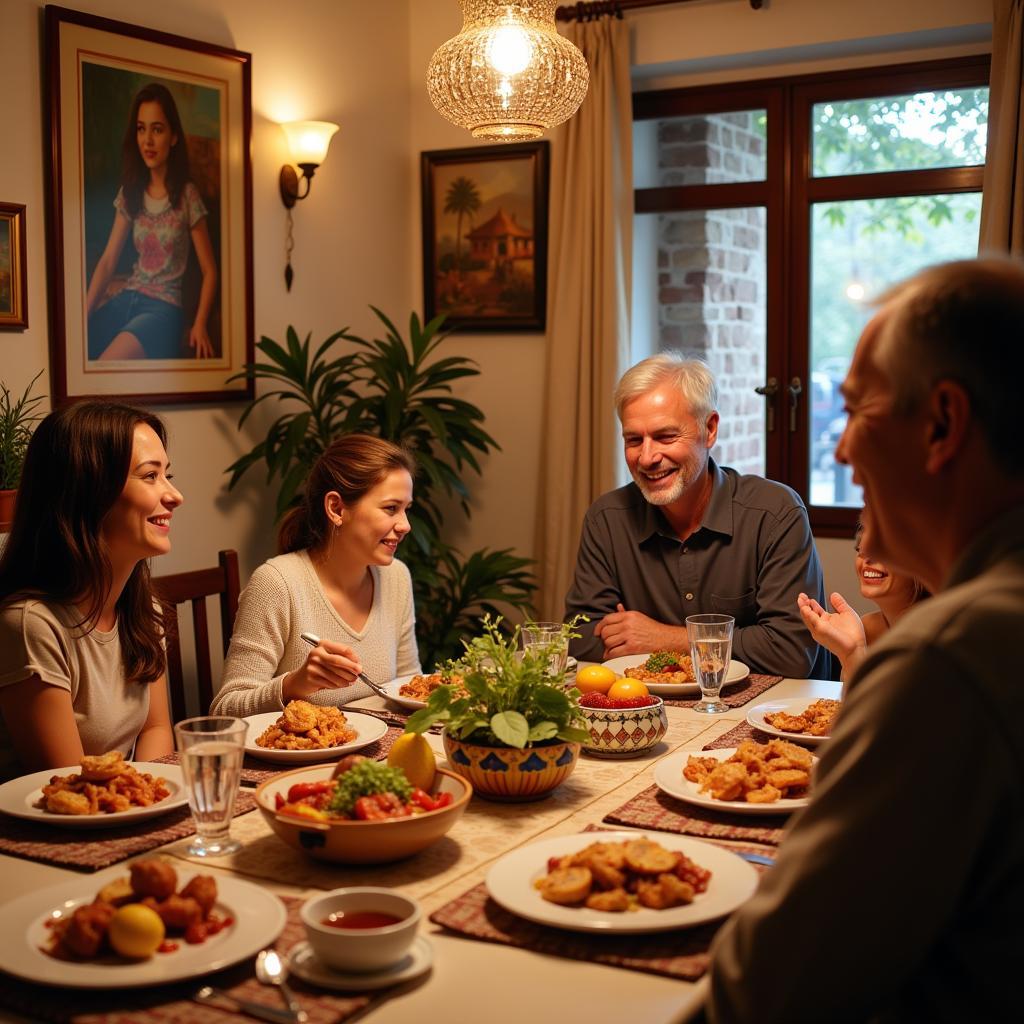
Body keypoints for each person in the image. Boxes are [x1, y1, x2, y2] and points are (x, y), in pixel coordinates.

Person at [708, 258, 1024, 1022]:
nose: (842, 450)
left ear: (943, 425)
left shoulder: (948, 658)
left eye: (856, 411)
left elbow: (768, 991)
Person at [564, 353, 829, 679]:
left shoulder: (775, 514)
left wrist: (663, 639)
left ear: (710, 429)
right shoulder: (607, 519)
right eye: (634, 439)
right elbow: (580, 640)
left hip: (771, 716)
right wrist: (736, 642)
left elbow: (790, 652)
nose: (647, 457)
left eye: (665, 436)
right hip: (648, 712)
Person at [0, 402, 180, 780]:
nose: (174, 495)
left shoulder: (143, 607)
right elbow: (68, 786)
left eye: (167, 475)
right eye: (150, 476)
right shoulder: (31, 625)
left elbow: (156, 729)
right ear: (90, 492)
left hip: (124, 808)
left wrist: (151, 790)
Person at [212, 434, 421, 717]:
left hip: (378, 755)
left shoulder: (396, 577)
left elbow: (411, 687)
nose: (405, 525)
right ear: (336, 508)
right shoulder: (276, 584)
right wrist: (293, 685)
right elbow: (225, 711)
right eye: (390, 509)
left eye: (406, 510)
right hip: (303, 761)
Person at [86, 82, 217, 361]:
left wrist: (200, 324)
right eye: (141, 128)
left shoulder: (187, 195)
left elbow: (210, 271)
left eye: (157, 129)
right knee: (80, 349)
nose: (147, 140)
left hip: (162, 310)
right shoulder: (130, 191)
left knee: (107, 363)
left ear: (173, 137)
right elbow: (109, 260)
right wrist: (83, 314)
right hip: (128, 297)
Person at [797, 517, 928, 680]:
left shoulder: (936, 636)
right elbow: (851, 703)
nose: (867, 559)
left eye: (882, 550)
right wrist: (849, 653)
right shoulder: (866, 628)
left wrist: (853, 655)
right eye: (861, 550)